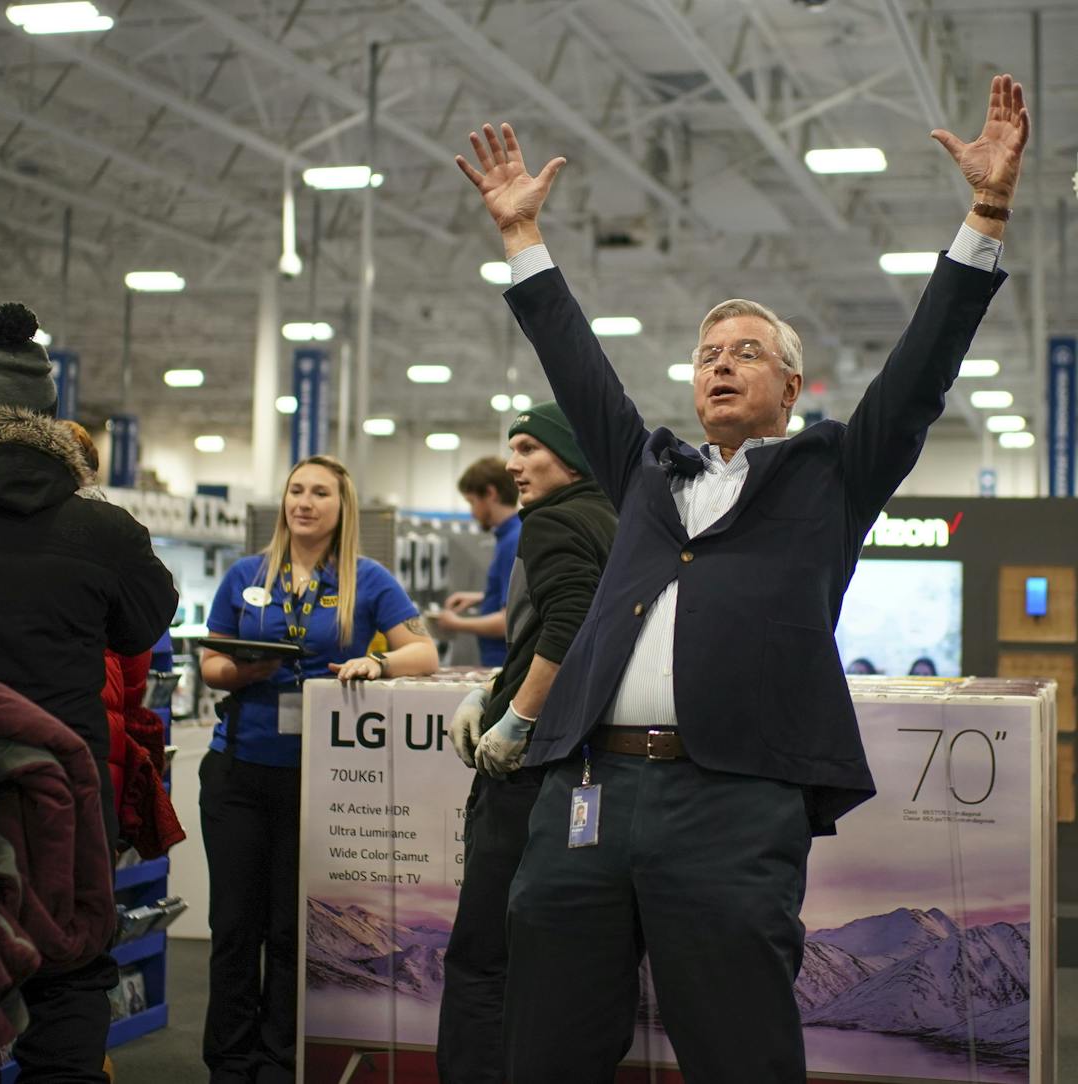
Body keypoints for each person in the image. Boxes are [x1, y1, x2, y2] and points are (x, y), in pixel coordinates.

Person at [453, 72, 1027, 1083]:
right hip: (586, 790)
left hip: (731, 802)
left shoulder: (828, 475)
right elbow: (574, 361)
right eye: (707, 351)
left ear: (788, 387)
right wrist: (519, 241)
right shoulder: (639, 470)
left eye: (745, 352)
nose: (718, 364)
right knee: (546, 1042)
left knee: (738, 1048)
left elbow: (922, 368)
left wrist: (981, 213)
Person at [0, 301, 178, 1083]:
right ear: (50, 417)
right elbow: (145, 622)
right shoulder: (101, 529)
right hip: (61, 786)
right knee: (69, 965)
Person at [198, 454, 438, 1084]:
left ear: (341, 507)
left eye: (320, 493)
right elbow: (211, 664)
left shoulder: (367, 579)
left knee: (290, 929)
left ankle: (280, 1061)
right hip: (239, 770)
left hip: (318, 779)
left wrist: (378, 664)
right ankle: (229, 1062)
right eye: (296, 490)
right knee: (232, 926)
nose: (304, 502)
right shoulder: (247, 574)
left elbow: (424, 653)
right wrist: (244, 668)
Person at [437, 402, 616, 1084]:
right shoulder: (617, 518)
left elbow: (567, 624)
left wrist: (516, 718)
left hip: (527, 779)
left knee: (483, 957)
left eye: (525, 448)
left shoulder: (553, 520)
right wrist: (494, 686)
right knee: (560, 966)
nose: (512, 465)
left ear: (567, 456)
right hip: (589, 773)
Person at [436, 457, 519, 666]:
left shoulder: (513, 540)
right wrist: (482, 597)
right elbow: (519, 596)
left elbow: (507, 622)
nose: (472, 512)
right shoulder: (511, 534)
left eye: (472, 501)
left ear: (490, 494)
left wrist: (457, 623)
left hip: (504, 660)